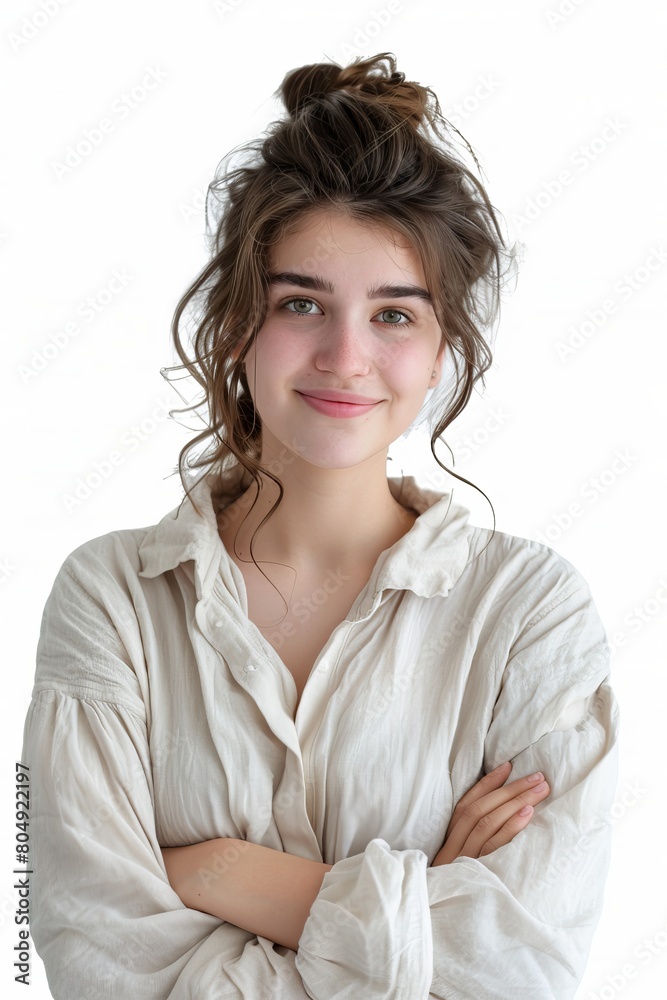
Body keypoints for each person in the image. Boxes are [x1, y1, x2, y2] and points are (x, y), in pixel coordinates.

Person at [21, 52, 618, 999]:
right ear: (236, 325)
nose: (346, 357)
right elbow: (93, 959)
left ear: (441, 352)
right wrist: (411, 910)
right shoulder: (112, 598)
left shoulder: (528, 612)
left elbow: (518, 968)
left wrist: (214, 872)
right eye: (302, 303)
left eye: (393, 314)